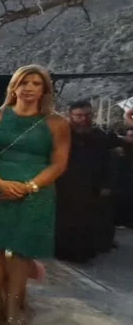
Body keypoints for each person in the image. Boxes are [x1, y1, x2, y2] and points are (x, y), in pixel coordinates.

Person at [0, 65, 70, 325]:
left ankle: (13, 306)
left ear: (44, 90)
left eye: (36, 83)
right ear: (14, 86)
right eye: (24, 82)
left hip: (35, 195)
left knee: (22, 253)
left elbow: (59, 164)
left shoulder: (56, 122)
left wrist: (29, 187)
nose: (29, 88)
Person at [55, 100, 122, 262]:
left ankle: (85, 252)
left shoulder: (101, 136)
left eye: (87, 115)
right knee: (65, 222)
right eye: (78, 116)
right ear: (70, 116)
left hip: (92, 185)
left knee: (87, 222)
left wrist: (108, 184)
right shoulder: (61, 135)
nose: (83, 119)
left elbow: (111, 161)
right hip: (65, 186)